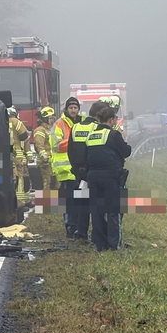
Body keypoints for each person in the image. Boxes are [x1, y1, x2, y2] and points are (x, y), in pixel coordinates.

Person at [85, 104, 132, 251]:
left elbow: (85, 157)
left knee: (97, 212)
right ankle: (114, 245)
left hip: (93, 177)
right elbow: (126, 151)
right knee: (113, 211)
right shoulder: (112, 135)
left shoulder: (91, 135)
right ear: (111, 120)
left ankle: (101, 245)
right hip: (110, 177)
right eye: (115, 120)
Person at [67, 101, 106, 242]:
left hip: (79, 172)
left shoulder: (76, 127)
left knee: (82, 203)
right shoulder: (97, 128)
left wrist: (76, 170)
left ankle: (81, 232)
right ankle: (97, 235)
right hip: (93, 170)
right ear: (99, 114)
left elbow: (70, 150)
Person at [50, 97, 82, 238]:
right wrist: (74, 141)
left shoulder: (83, 121)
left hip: (81, 170)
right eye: (71, 108)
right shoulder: (59, 124)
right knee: (69, 203)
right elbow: (56, 145)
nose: (73, 110)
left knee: (81, 201)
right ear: (66, 109)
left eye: (75, 108)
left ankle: (80, 229)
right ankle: (70, 229)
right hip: (66, 170)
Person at [7, 107, 31, 206]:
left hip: (4, 153)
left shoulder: (0, 122)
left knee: (10, 179)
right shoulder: (15, 121)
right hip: (17, 154)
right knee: (19, 178)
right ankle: (20, 203)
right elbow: (24, 135)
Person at [31, 107, 55, 192]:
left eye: (53, 118)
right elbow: (39, 145)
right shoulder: (40, 130)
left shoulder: (50, 129)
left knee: (54, 184)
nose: (52, 120)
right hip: (45, 163)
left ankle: (54, 203)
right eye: (50, 118)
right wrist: (45, 158)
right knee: (47, 184)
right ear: (45, 119)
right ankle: (46, 204)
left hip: (52, 162)